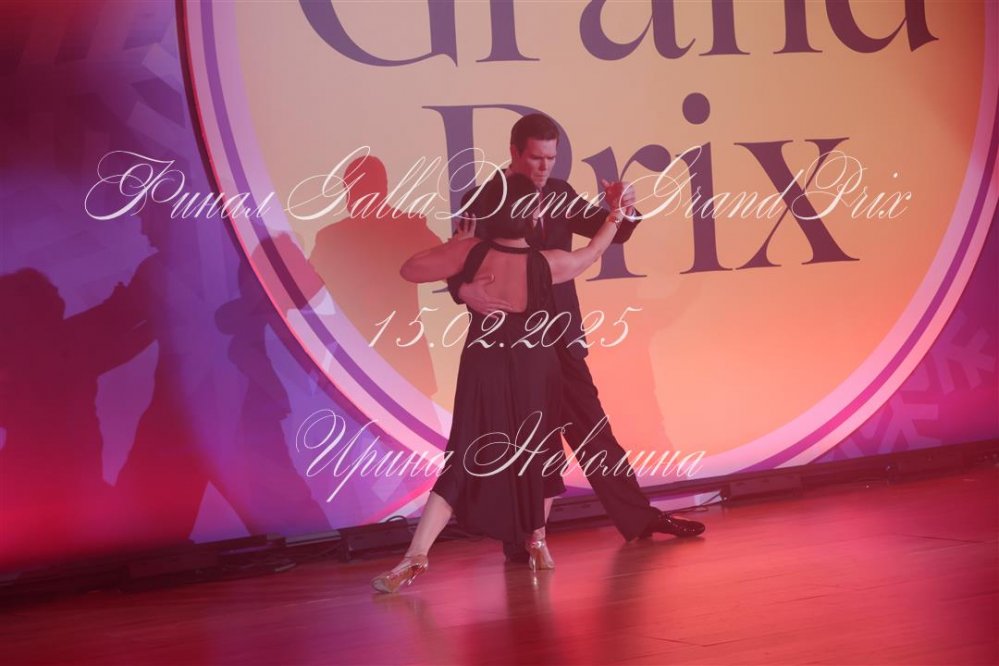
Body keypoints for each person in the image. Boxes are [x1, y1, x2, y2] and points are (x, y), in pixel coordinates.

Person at [448, 114, 705, 564]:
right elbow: (454, 261)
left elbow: (611, 232)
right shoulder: (482, 199)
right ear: (514, 152)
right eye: (536, 157)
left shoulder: (560, 193)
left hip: (561, 336)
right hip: (512, 346)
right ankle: (519, 541)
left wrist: (623, 207)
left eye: (551, 158)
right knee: (524, 443)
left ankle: (638, 518)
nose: (544, 166)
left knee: (593, 429)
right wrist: (462, 291)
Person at [371, 172, 623, 593]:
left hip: (484, 366)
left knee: (465, 457)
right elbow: (593, 251)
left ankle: (415, 557)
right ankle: (538, 542)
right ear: (530, 214)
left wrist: (457, 255)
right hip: (536, 367)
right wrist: (615, 213)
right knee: (541, 453)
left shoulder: (471, 252)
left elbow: (409, 269)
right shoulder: (547, 261)